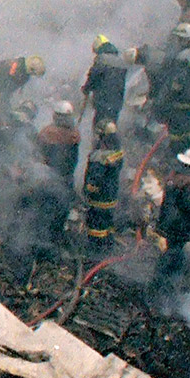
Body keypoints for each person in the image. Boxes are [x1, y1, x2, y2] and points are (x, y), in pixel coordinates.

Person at [150, 146, 190, 292]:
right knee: (175, 256)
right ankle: (165, 286)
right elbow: (189, 205)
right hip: (180, 226)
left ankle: (162, 283)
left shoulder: (174, 178)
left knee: (172, 251)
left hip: (168, 223)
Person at [80, 121, 123, 255]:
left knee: (95, 226)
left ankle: (95, 252)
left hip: (98, 199)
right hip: (111, 196)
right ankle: (108, 246)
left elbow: (94, 179)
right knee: (107, 223)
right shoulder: (117, 154)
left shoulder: (100, 158)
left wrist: (87, 191)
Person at [82, 38, 129, 129]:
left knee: (99, 126)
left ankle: (98, 142)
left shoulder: (101, 59)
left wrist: (86, 88)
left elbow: (93, 76)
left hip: (102, 101)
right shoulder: (121, 61)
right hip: (117, 103)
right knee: (111, 128)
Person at [36, 102, 82, 184]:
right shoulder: (74, 134)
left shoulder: (47, 132)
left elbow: (39, 153)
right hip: (66, 176)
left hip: (50, 176)